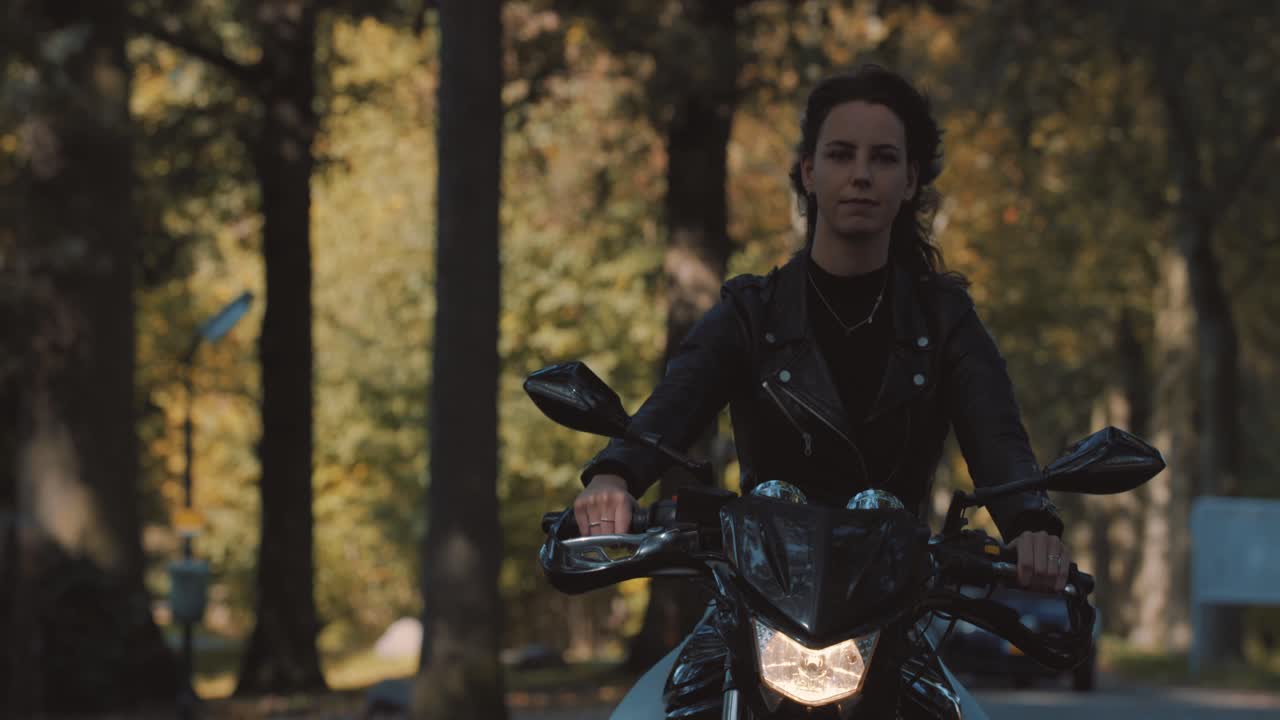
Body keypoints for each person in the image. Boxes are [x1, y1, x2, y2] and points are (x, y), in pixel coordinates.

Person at [574, 63, 1069, 717]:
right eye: (841, 154)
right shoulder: (752, 310)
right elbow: (676, 401)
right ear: (809, 172)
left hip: (893, 610)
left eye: (883, 158)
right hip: (754, 601)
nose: (860, 174)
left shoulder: (945, 320)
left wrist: (1031, 525)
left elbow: (998, 436)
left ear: (910, 181)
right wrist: (614, 476)